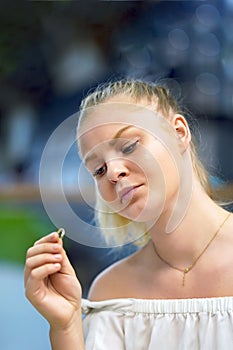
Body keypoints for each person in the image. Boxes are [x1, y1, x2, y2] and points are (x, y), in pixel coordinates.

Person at [24, 79, 233, 350]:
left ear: (179, 132)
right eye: (98, 170)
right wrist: (65, 327)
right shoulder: (113, 291)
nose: (112, 172)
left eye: (130, 145)